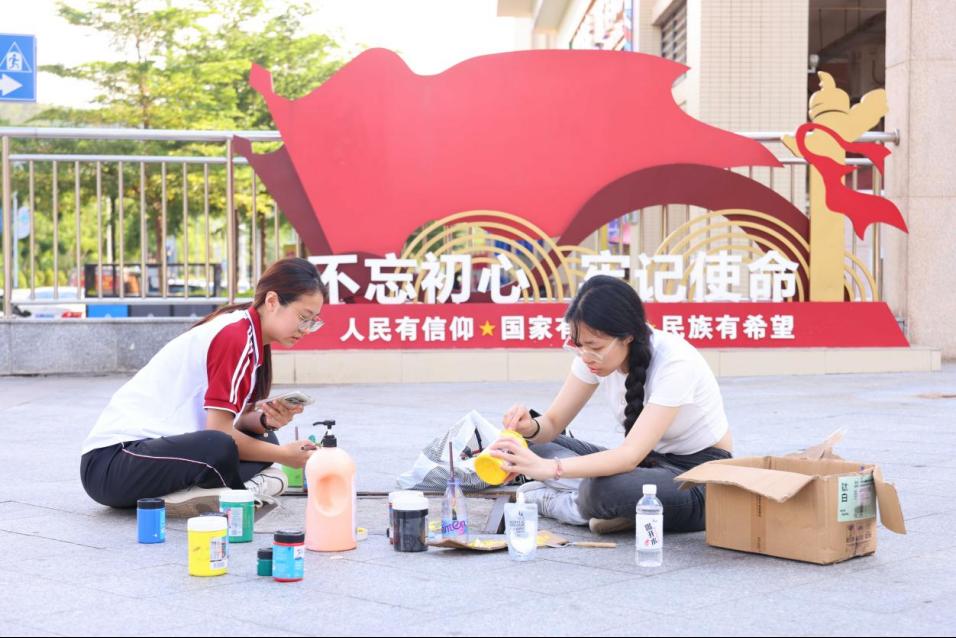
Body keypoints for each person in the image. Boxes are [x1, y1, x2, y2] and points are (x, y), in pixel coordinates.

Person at [80, 257, 326, 516]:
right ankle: (232, 490)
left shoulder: (248, 337)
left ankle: (210, 491)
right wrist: (284, 456)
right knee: (221, 445)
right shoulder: (235, 336)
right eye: (303, 317)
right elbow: (218, 431)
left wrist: (264, 421)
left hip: (153, 454)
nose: (306, 329)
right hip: (113, 463)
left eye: (313, 322)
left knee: (264, 438)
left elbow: (229, 423)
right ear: (272, 301)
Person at [490, 275, 733, 534]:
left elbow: (628, 456)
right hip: (645, 465)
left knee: (602, 489)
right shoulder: (592, 357)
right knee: (521, 445)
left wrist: (549, 469)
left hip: (696, 478)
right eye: (579, 346)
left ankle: (566, 503)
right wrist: (529, 428)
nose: (585, 356)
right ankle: (610, 508)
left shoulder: (675, 363)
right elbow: (551, 424)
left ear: (627, 336)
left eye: (594, 346)